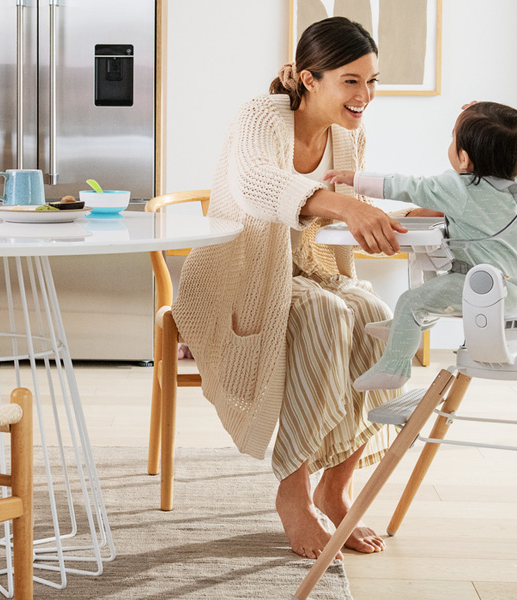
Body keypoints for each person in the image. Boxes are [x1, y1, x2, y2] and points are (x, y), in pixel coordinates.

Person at [172, 17, 436, 560]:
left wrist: (404, 214)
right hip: (243, 277)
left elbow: (347, 206)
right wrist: (343, 203)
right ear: (310, 79)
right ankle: (293, 494)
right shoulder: (260, 117)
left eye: (373, 81)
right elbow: (257, 186)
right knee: (327, 317)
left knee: (380, 316)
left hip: (311, 270)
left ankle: (334, 487)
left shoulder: (348, 136)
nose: (365, 96)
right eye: (352, 81)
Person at [324, 101, 517, 391]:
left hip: (482, 290)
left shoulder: (461, 188)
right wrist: (481, 113)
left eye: (453, 137)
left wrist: (355, 180)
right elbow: (505, 145)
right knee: (431, 284)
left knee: (410, 301)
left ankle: (394, 367)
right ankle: (405, 328)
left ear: (464, 159)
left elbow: (409, 185)